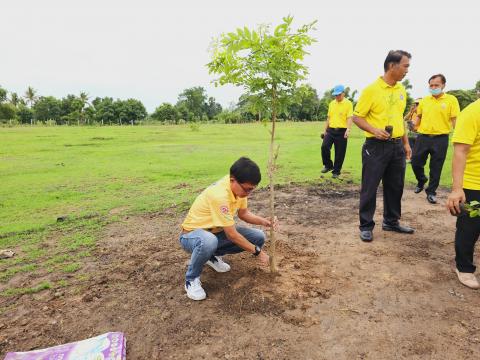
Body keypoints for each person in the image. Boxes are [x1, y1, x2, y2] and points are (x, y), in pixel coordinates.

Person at [179, 157, 275, 300]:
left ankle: (211, 257)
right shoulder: (219, 195)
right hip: (191, 236)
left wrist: (265, 221)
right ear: (232, 180)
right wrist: (258, 252)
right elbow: (232, 235)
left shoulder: (238, 189)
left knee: (258, 237)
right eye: (247, 189)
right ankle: (191, 279)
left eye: (252, 190)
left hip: (215, 233)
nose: (248, 193)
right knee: (208, 241)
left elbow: (244, 214)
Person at [352, 50, 414, 242]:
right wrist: (374, 130)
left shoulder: (401, 90)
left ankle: (391, 221)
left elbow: (399, 119)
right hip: (375, 146)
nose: (407, 71)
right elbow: (357, 117)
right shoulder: (371, 90)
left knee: (395, 186)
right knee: (370, 186)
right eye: (405, 66)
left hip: (396, 146)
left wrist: (405, 143)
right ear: (391, 66)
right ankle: (366, 225)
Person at [411, 74, 460, 204]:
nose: (433, 87)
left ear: (443, 85)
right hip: (423, 137)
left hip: (441, 138)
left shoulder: (451, 100)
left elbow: (455, 119)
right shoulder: (424, 101)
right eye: (431, 85)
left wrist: (458, 136)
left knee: (436, 167)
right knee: (415, 161)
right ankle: (421, 180)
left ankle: (431, 192)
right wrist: (413, 124)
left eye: (436, 85)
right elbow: (418, 116)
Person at [446, 99, 480, 289]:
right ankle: (464, 267)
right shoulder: (472, 112)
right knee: (470, 228)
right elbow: (460, 151)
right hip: (475, 182)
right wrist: (457, 189)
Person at [321, 84, 353, 178]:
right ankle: (328, 165)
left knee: (340, 152)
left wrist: (348, 129)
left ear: (343, 93)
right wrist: (324, 130)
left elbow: (350, 118)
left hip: (342, 131)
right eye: (335, 95)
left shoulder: (348, 104)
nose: (337, 96)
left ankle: (336, 172)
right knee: (324, 147)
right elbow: (329, 118)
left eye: (338, 94)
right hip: (330, 130)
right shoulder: (332, 103)